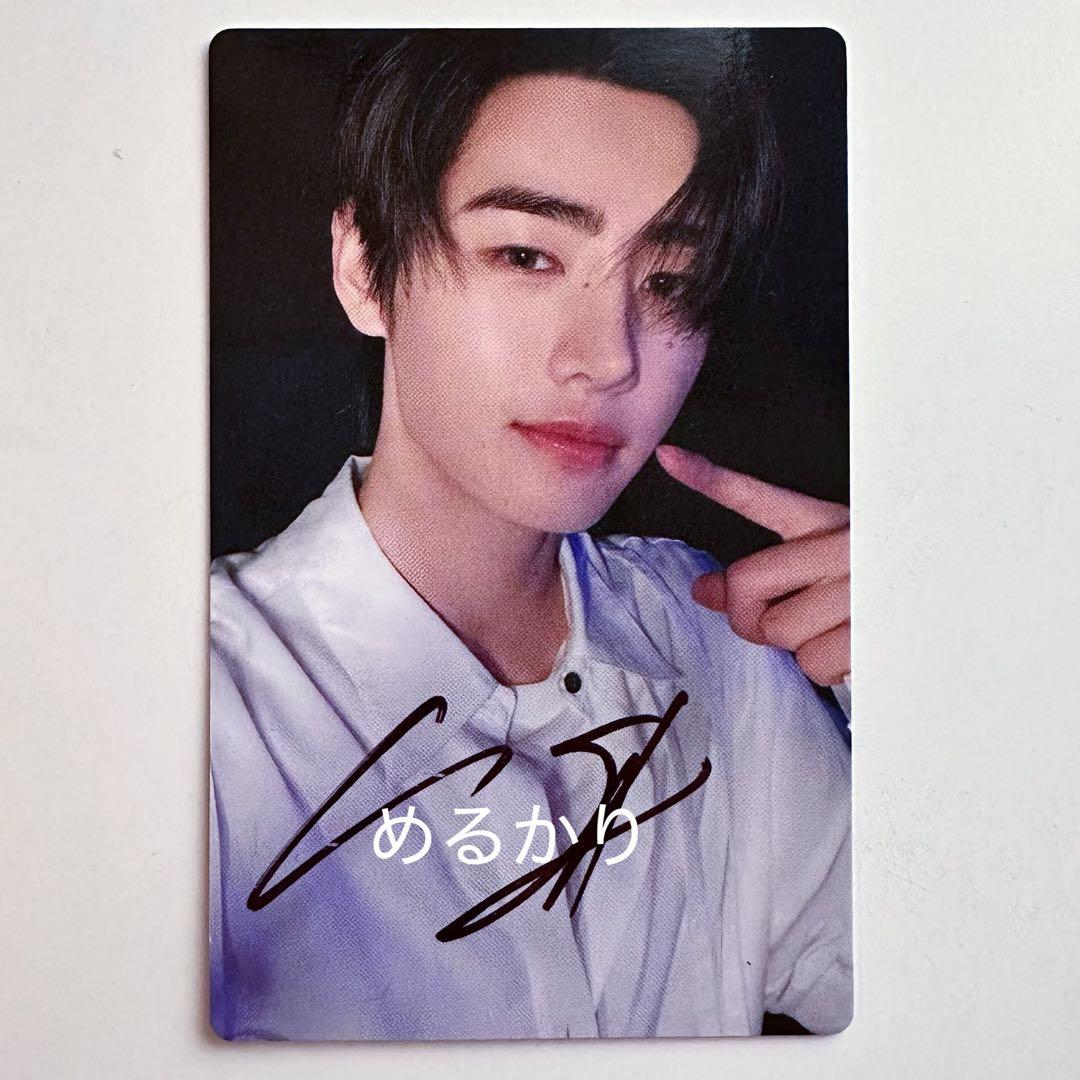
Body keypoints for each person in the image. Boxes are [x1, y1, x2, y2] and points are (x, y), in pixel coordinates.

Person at [209, 28, 852, 1041]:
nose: (607, 357)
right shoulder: (198, 700)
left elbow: (966, 998)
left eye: (669, 283)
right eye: (526, 254)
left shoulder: (723, 646)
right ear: (365, 267)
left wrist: (945, 711)